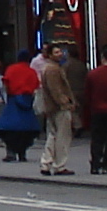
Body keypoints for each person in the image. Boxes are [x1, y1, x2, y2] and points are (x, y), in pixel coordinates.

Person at [36, 44, 80, 177]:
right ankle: (59, 165)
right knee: (63, 136)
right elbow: (56, 90)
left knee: (53, 135)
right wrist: (65, 102)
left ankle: (46, 163)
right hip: (59, 107)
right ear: (50, 55)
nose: (60, 54)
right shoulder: (53, 69)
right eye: (56, 52)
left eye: (60, 51)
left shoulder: (48, 67)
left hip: (51, 107)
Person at [0, 53, 38, 161]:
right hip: (27, 102)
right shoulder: (31, 71)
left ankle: (11, 152)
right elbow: (36, 87)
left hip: (13, 102)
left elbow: (6, 84)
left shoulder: (12, 69)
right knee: (27, 130)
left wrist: (7, 96)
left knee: (8, 129)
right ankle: (22, 153)